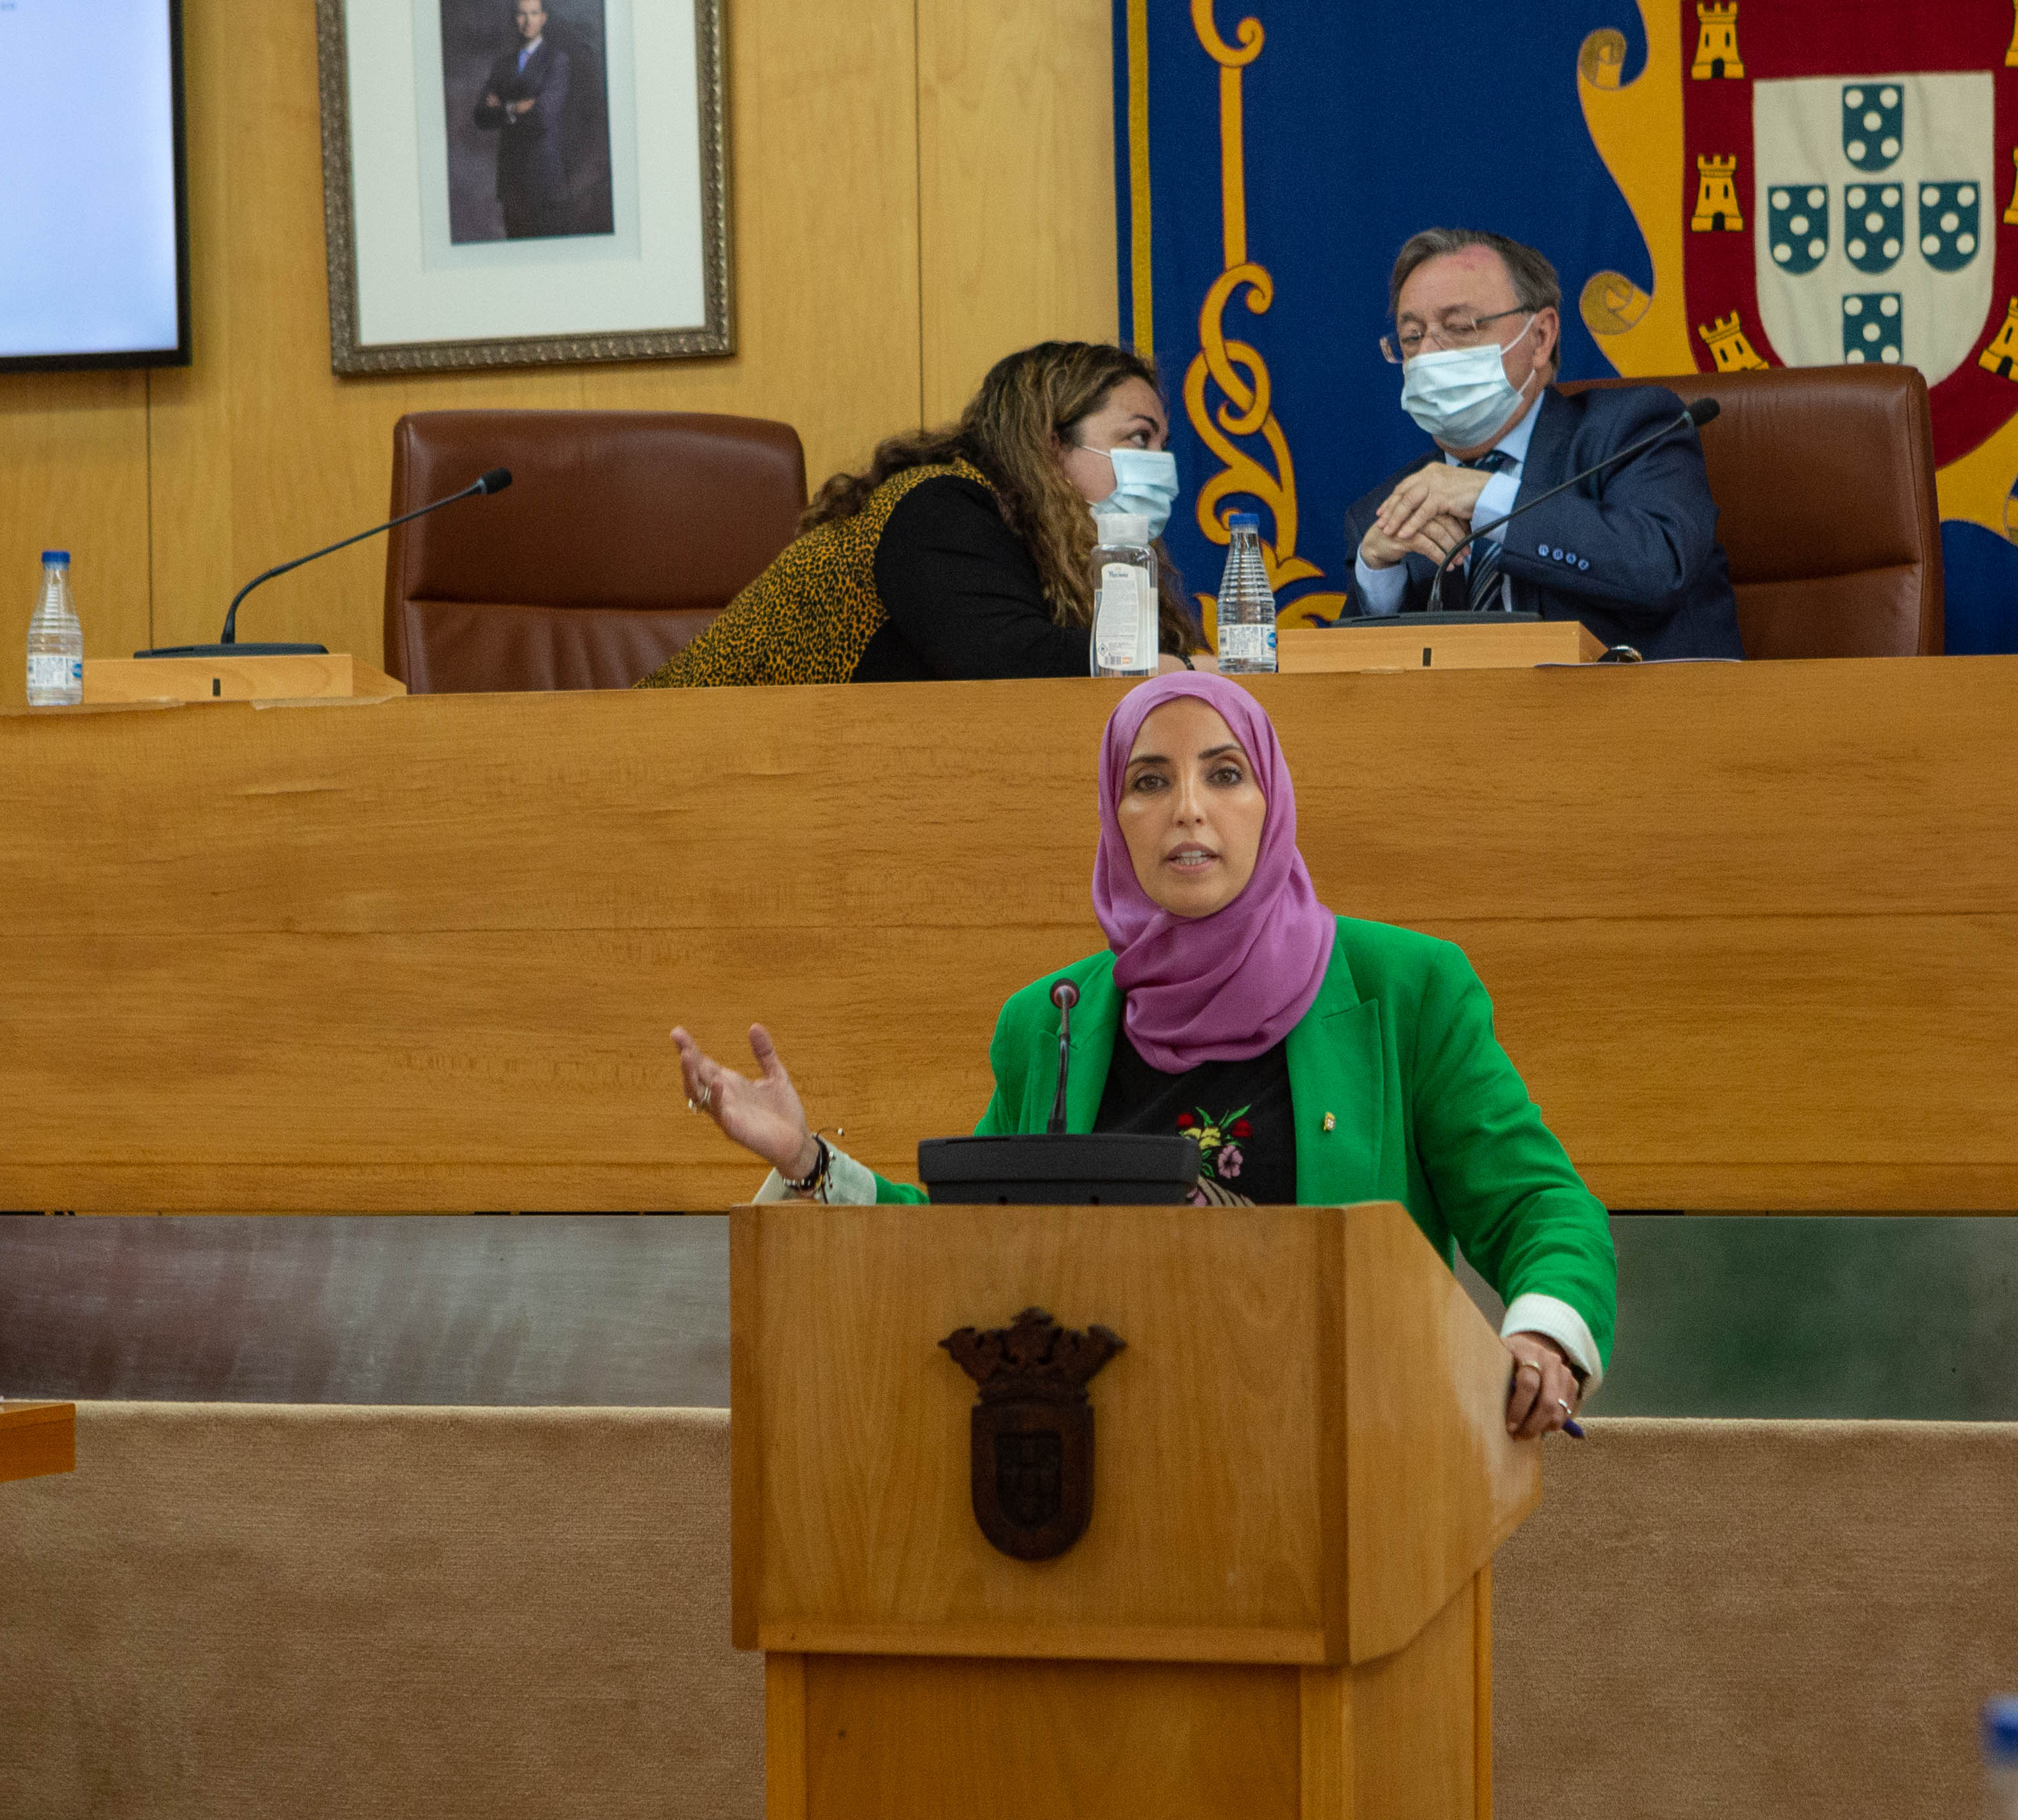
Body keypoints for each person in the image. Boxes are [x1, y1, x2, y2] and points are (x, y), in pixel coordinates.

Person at [669, 673, 1613, 1436]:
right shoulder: (1050, 1017)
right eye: (1150, 781)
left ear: (1272, 800)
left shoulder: (1402, 989)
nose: (1188, 811)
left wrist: (1543, 1337)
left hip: (1339, 1444)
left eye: (1224, 774)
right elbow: (965, 1243)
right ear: (1115, 820)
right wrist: (808, 1160)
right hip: (1104, 1457)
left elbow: (1536, 1202)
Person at [651, 342, 1206, 686]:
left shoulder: (1052, 544)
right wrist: (1182, 671)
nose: (1161, 466)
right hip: (672, 755)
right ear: (1051, 442)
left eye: (1161, 444)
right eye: (1138, 439)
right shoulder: (936, 507)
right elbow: (1012, 663)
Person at [1342, 227, 1746, 661]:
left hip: (1647, 719)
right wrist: (1376, 576)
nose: (1429, 354)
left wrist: (1488, 497)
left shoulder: (1634, 431)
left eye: (1459, 327)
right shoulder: (1385, 510)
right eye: (1411, 338)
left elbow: (1657, 568)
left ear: (1540, 337)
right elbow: (1362, 696)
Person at [472, 0, 585, 240]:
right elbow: (481, 116)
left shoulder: (557, 60)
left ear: (543, 18)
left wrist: (502, 108)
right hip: (511, 180)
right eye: (522, 14)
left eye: (533, 14)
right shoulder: (504, 64)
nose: (527, 21)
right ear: (515, 19)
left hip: (543, 177)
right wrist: (516, 107)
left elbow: (543, 116)